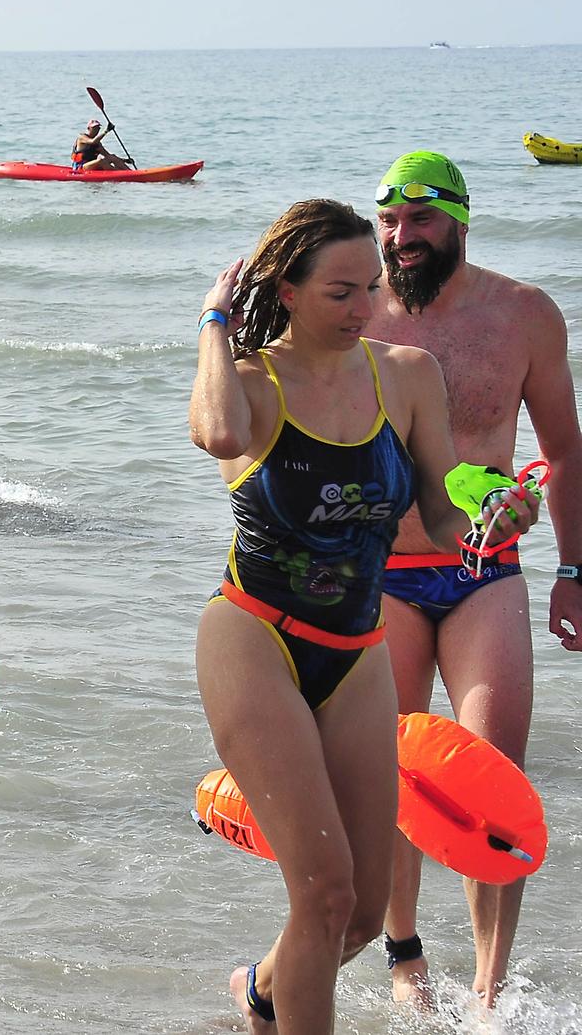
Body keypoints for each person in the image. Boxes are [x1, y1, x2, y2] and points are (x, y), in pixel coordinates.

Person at [188, 198, 538, 1035]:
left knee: (357, 912)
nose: (363, 307)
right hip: (255, 640)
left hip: (356, 651)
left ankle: (263, 992)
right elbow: (215, 432)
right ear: (288, 287)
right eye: (341, 291)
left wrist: (494, 514)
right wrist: (213, 320)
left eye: (370, 288)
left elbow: (444, 511)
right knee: (324, 891)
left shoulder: (406, 374)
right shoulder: (250, 384)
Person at [365, 152, 582, 1008]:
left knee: (494, 778)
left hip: (486, 571)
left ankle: (490, 992)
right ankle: (405, 957)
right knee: (394, 770)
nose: (400, 238)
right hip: (381, 571)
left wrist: (572, 567)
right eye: (387, 221)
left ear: (459, 219)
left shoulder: (523, 314)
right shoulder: (359, 313)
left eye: (418, 220)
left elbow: (564, 450)